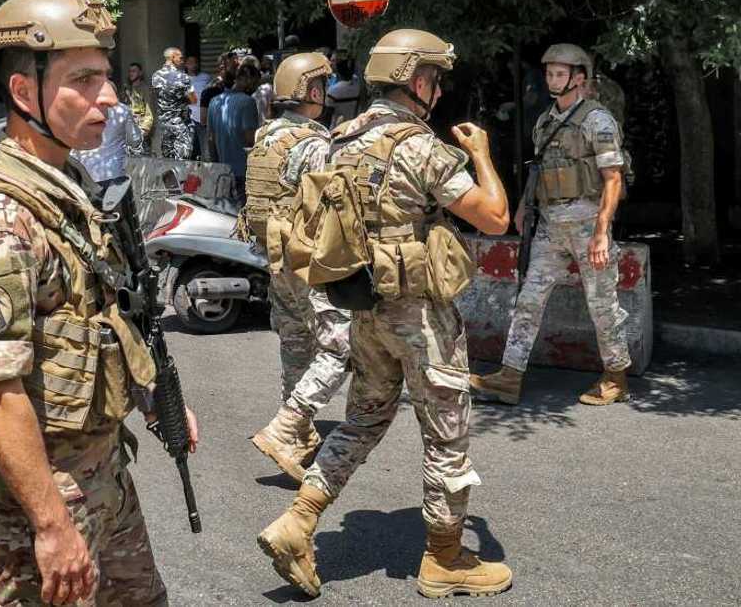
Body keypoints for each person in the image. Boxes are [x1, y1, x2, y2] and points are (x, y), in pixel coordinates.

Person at [0, 0, 198, 606]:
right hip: (41, 494)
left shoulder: (68, 186)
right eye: (85, 80)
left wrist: (152, 394)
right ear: (25, 93)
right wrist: (50, 525)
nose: (110, 97)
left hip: (101, 468)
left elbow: (104, 312)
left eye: (106, 75)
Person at [258, 29, 513, 599]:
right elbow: (495, 217)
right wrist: (482, 154)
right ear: (417, 81)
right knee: (446, 435)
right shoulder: (420, 146)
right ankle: (444, 558)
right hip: (420, 318)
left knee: (363, 420)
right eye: (436, 80)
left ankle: (297, 521)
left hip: (362, 309)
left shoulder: (337, 139)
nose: (440, 90)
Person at [471, 43, 633, 406]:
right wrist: (525, 206)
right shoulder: (546, 120)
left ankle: (616, 376)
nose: (552, 80)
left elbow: (613, 179)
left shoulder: (597, 120)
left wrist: (602, 231)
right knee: (527, 300)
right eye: (549, 73)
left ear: (579, 78)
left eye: (559, 74)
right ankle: (509, 377)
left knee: (602, 304)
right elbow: (540, 168)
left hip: (587, 223)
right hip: (550, 225)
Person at [244, 53, 351, 480]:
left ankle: (299, 435)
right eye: (321, 87)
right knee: (341, 346)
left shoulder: (267, 135)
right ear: (311, 91)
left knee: (296, 341)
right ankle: (288, 426)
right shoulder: (314, 143)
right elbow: (336, 201)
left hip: (275, 256)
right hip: (308, 258)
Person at [69, 84, 143, 182]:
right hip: (114, 172)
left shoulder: (83, 111)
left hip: (87, 175)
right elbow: (135, 139)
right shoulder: (123, 110)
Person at [207, 62, 261, 194]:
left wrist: (216, 165)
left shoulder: (214, 101)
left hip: (222, 170)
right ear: (246, 79)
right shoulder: (248, 102)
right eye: (255, 83)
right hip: (243, 171)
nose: (255, 88)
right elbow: (250, 139)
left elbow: (210, 138)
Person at [151, 47, 196, 160]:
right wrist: (181, 99)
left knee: (167, 161)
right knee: (183, 161)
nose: (182, 60)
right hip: (180, 125)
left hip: (163, 125)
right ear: (172, 58)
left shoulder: (155, 76)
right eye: (180, 57)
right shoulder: (182, 77)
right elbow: (194, 100)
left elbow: (155, 98)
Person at [121, 62, 152, 154]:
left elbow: (149, 110)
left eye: (134, 71)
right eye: (130, 71)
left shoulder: (144, 89)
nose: (131, 73)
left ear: (140, 73)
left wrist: (145, 130)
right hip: (127, 132)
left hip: (140, 130)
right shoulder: (127, 89)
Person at [185, 55, 212, 159]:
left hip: (204, 119)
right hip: (189, 120)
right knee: (190, 150)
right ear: (186, 65)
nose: (193, 65)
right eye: (190, 62)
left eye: (195, 62)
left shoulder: (206, 77)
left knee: (205, 150)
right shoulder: (183, 79)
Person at [326, 56, 362, 127]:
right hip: (354, 124)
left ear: (338, 71)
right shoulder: (357, 85)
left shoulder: (334, 91)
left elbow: (328, 113)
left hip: (337, 126)